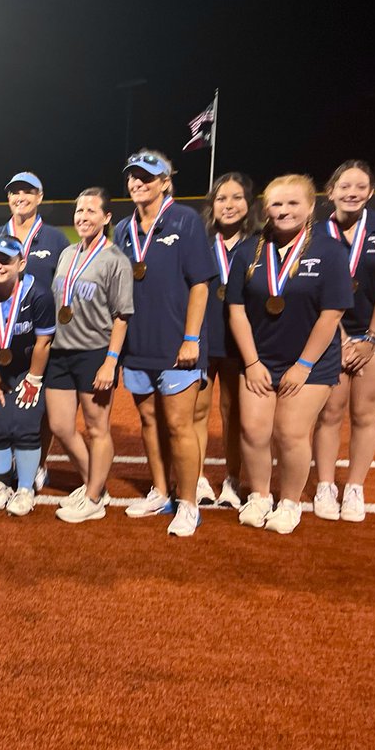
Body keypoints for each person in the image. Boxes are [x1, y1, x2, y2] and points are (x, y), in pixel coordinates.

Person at [227, 175, 353, 534]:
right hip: (259, 358)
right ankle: (261, 496)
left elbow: (332, 314)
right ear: (265, 209)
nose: (284, 211)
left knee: (291, 433)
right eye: (277, 204)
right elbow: (235, 310)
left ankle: (290, 502)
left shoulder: (329, 251)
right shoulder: (249, 250)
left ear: (311, 206)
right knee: (253, 431)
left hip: (309, 362)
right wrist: (251, 362)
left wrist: (303, 365)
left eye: (293, 203)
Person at [113, 150, 215, 537]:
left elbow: (201, 285)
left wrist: (191, 339)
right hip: (138, 345)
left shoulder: (185, 220)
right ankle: (160, 490)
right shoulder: (123, 229)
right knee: (149, 421)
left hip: (177, 346)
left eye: (147, 177)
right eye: (133, 177)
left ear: (165, 181)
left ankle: (188, 503)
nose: (138, 183)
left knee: (178, 424)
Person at [312, 160, 375, 523]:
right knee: (329, 413)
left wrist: (370, 337)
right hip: (330, 332)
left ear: (370, 192)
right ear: (331, 191)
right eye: (344, 186)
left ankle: (354, 487)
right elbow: (317, 291)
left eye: (360, 187)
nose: (351, 193)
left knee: (364, 412)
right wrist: (339, 337)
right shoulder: (316, 232)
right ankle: (325, 485)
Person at [47, 188, 133, 523]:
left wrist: (110, 361)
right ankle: (93, 483)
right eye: (79, 210)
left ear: (107, 217)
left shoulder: (116, 260)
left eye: (91, 211)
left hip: (94, 352)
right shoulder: (68, 253)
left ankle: (94, 497)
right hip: (60, 351)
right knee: (60, 425)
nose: (83, 217)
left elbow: (122, 316)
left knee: (97, 428)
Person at [0, 236, 55, 517]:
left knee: (27, 426)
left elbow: (44, 343)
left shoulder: (38, 294)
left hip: (29, 368)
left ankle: (26, 488)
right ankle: (2, 482)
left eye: (5, 260)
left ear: (21, 263)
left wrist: (33, 379)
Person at [194, 173, 260, 510]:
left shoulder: (261, 243)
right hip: (203, 340)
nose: (229, 205)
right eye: (221, 198)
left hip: (239, 343)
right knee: (198, 411)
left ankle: (233, 480)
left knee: (234, 414)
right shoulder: (200, 239)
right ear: (212, 204)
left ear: (248, 203)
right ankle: (198, 478)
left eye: (236, 197)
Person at [0, 172, 70, 290]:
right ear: (9, 198)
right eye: (15, 193)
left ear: (39, 197)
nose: (20, 198)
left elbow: (66, 287)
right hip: (1, 308)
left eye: (28, 192)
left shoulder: (56, 239)